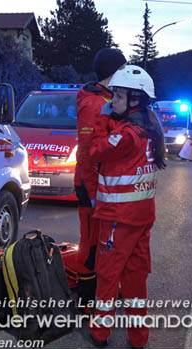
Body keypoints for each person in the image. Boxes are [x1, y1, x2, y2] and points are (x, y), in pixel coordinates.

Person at [89, 65, 165, 349]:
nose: (112, 101)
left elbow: (96, 149)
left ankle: (100, 332)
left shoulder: (126, 135)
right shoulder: (149, 131)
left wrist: (101, 118)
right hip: (141, 217)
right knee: (135, 279)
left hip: (118, 219)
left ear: (135, 100)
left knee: (108, 277)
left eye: (118, 96)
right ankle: (138, 337)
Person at [73, 48, 127, 310]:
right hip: (89, 183)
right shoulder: (94, 103)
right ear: (114, 72)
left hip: (99, 183)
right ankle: (86, 297)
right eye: (123, 69)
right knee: (91, 242)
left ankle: (100, 291)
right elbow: (87, 154)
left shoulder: (105, 98)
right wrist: (94, 195)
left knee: (103, 241)